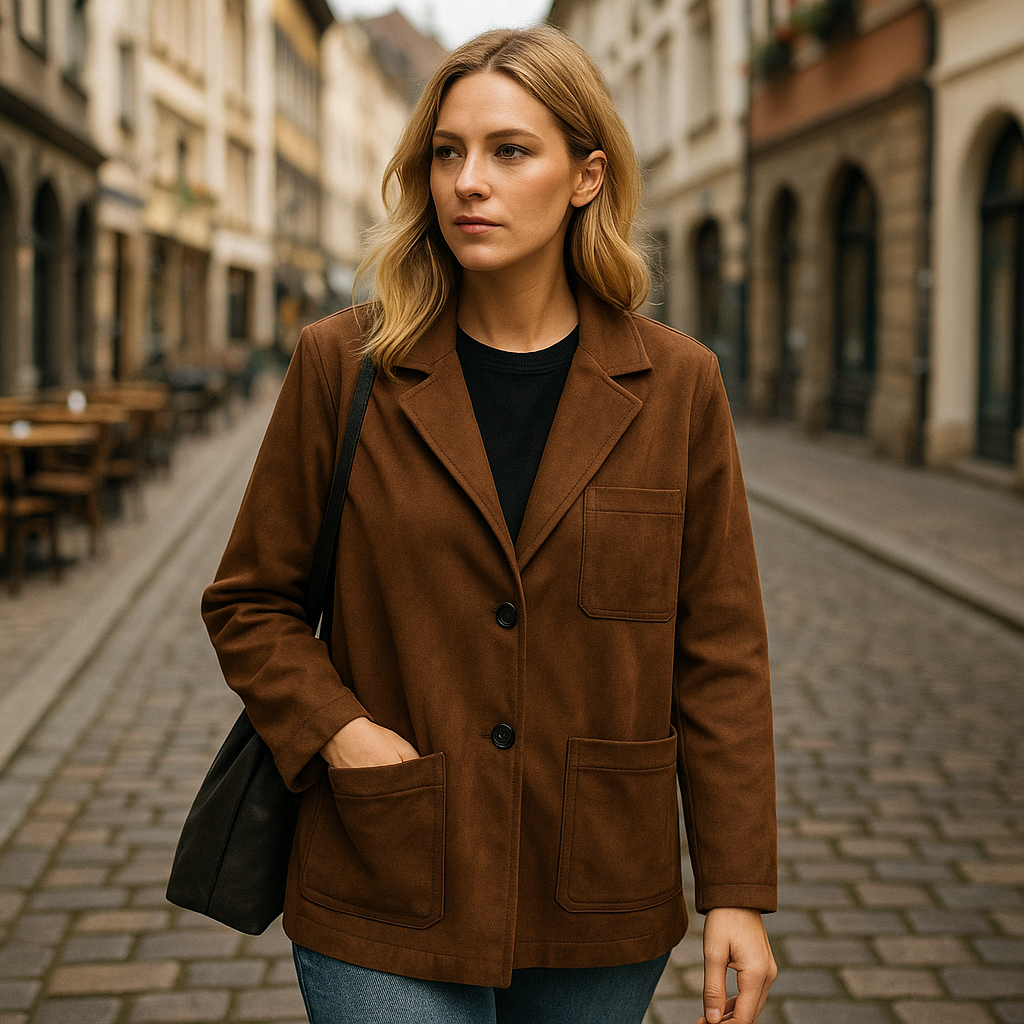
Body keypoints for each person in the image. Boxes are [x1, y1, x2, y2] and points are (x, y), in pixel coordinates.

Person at [202, 25, 777, 1024]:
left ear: (585, 176)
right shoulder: (343, 366)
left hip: (596, 875)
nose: (470, 180)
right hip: (387, 871)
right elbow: (251, 601)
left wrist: (734, 889)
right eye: (447, 151)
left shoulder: (678, 384)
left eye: (510, 151)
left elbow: (719, 652)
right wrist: (338, 731)